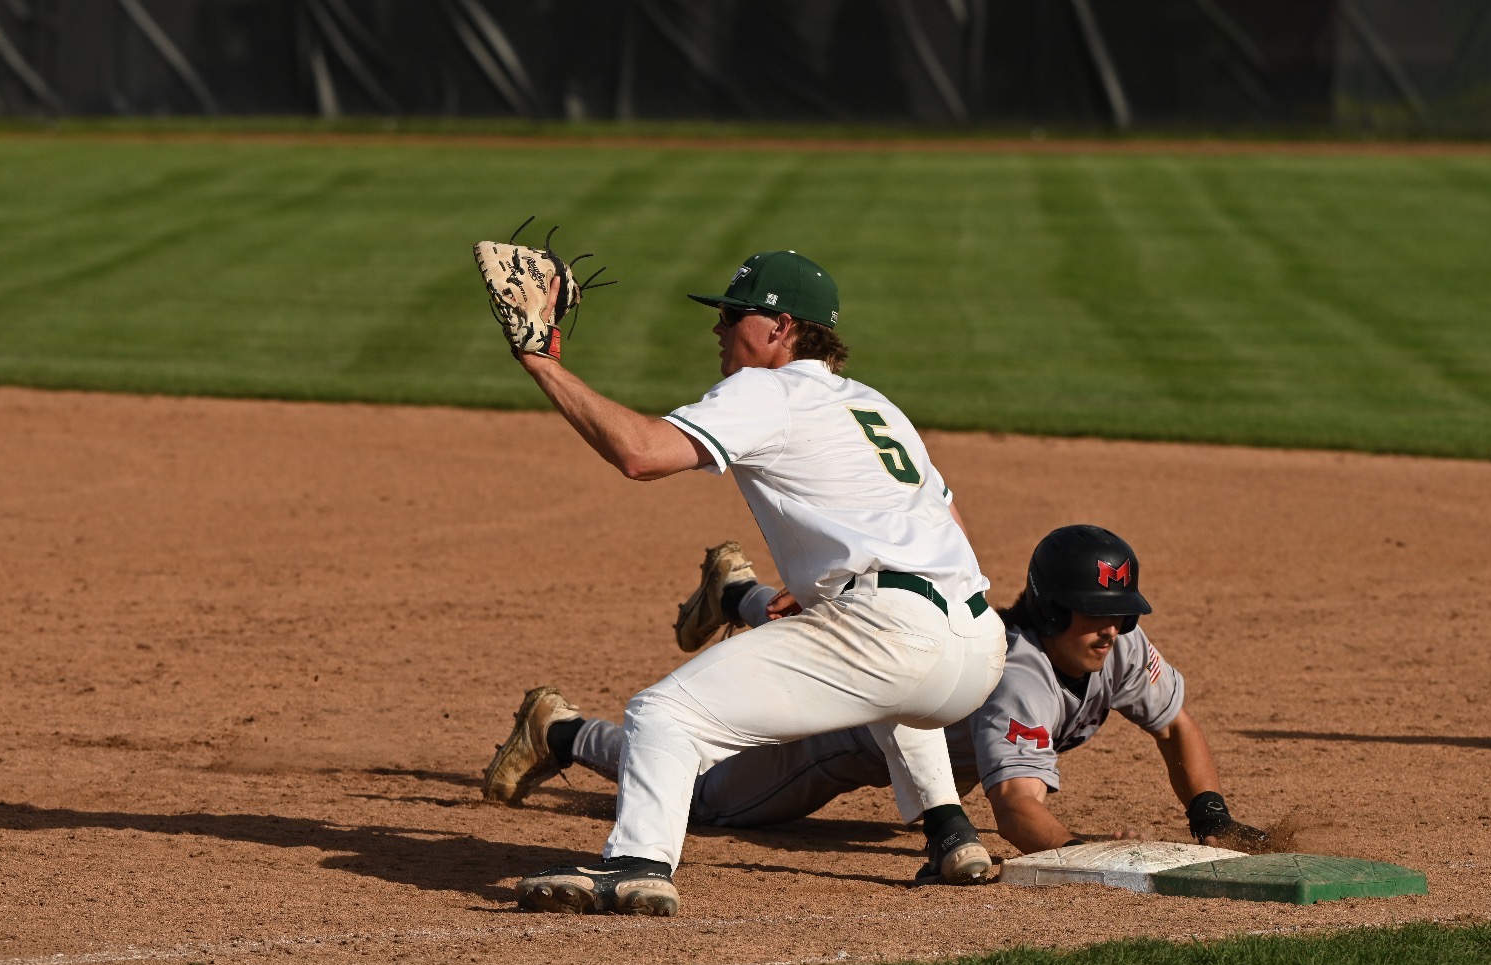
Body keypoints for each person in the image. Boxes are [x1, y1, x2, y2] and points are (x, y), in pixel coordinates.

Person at [499, 250, 1008, 916]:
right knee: (886, 679)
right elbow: (952, 526)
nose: (718, 330)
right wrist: (838, 588)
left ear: (779, 327)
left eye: (733, 315)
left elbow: (641, 453)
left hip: (893, 634)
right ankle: (951, 833)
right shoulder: (875, 405)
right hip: (977, 644)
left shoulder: (767, 390)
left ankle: (637, 863)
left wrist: (543, 363)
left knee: (664, 713)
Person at [485, 526, 1270, 860]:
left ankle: (741, 596)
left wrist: (1210, 814)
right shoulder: (1021, 680)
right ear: (1057, 610)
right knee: (701, 793)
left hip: (893, 676)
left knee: (843, 627)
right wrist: (1090, 856)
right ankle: (558, 730)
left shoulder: (1118, 647)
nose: (1114, 631)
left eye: (1121, 614)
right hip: (839, 738)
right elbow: (1018, 808)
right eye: (1099, 616)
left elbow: (1178, 726)